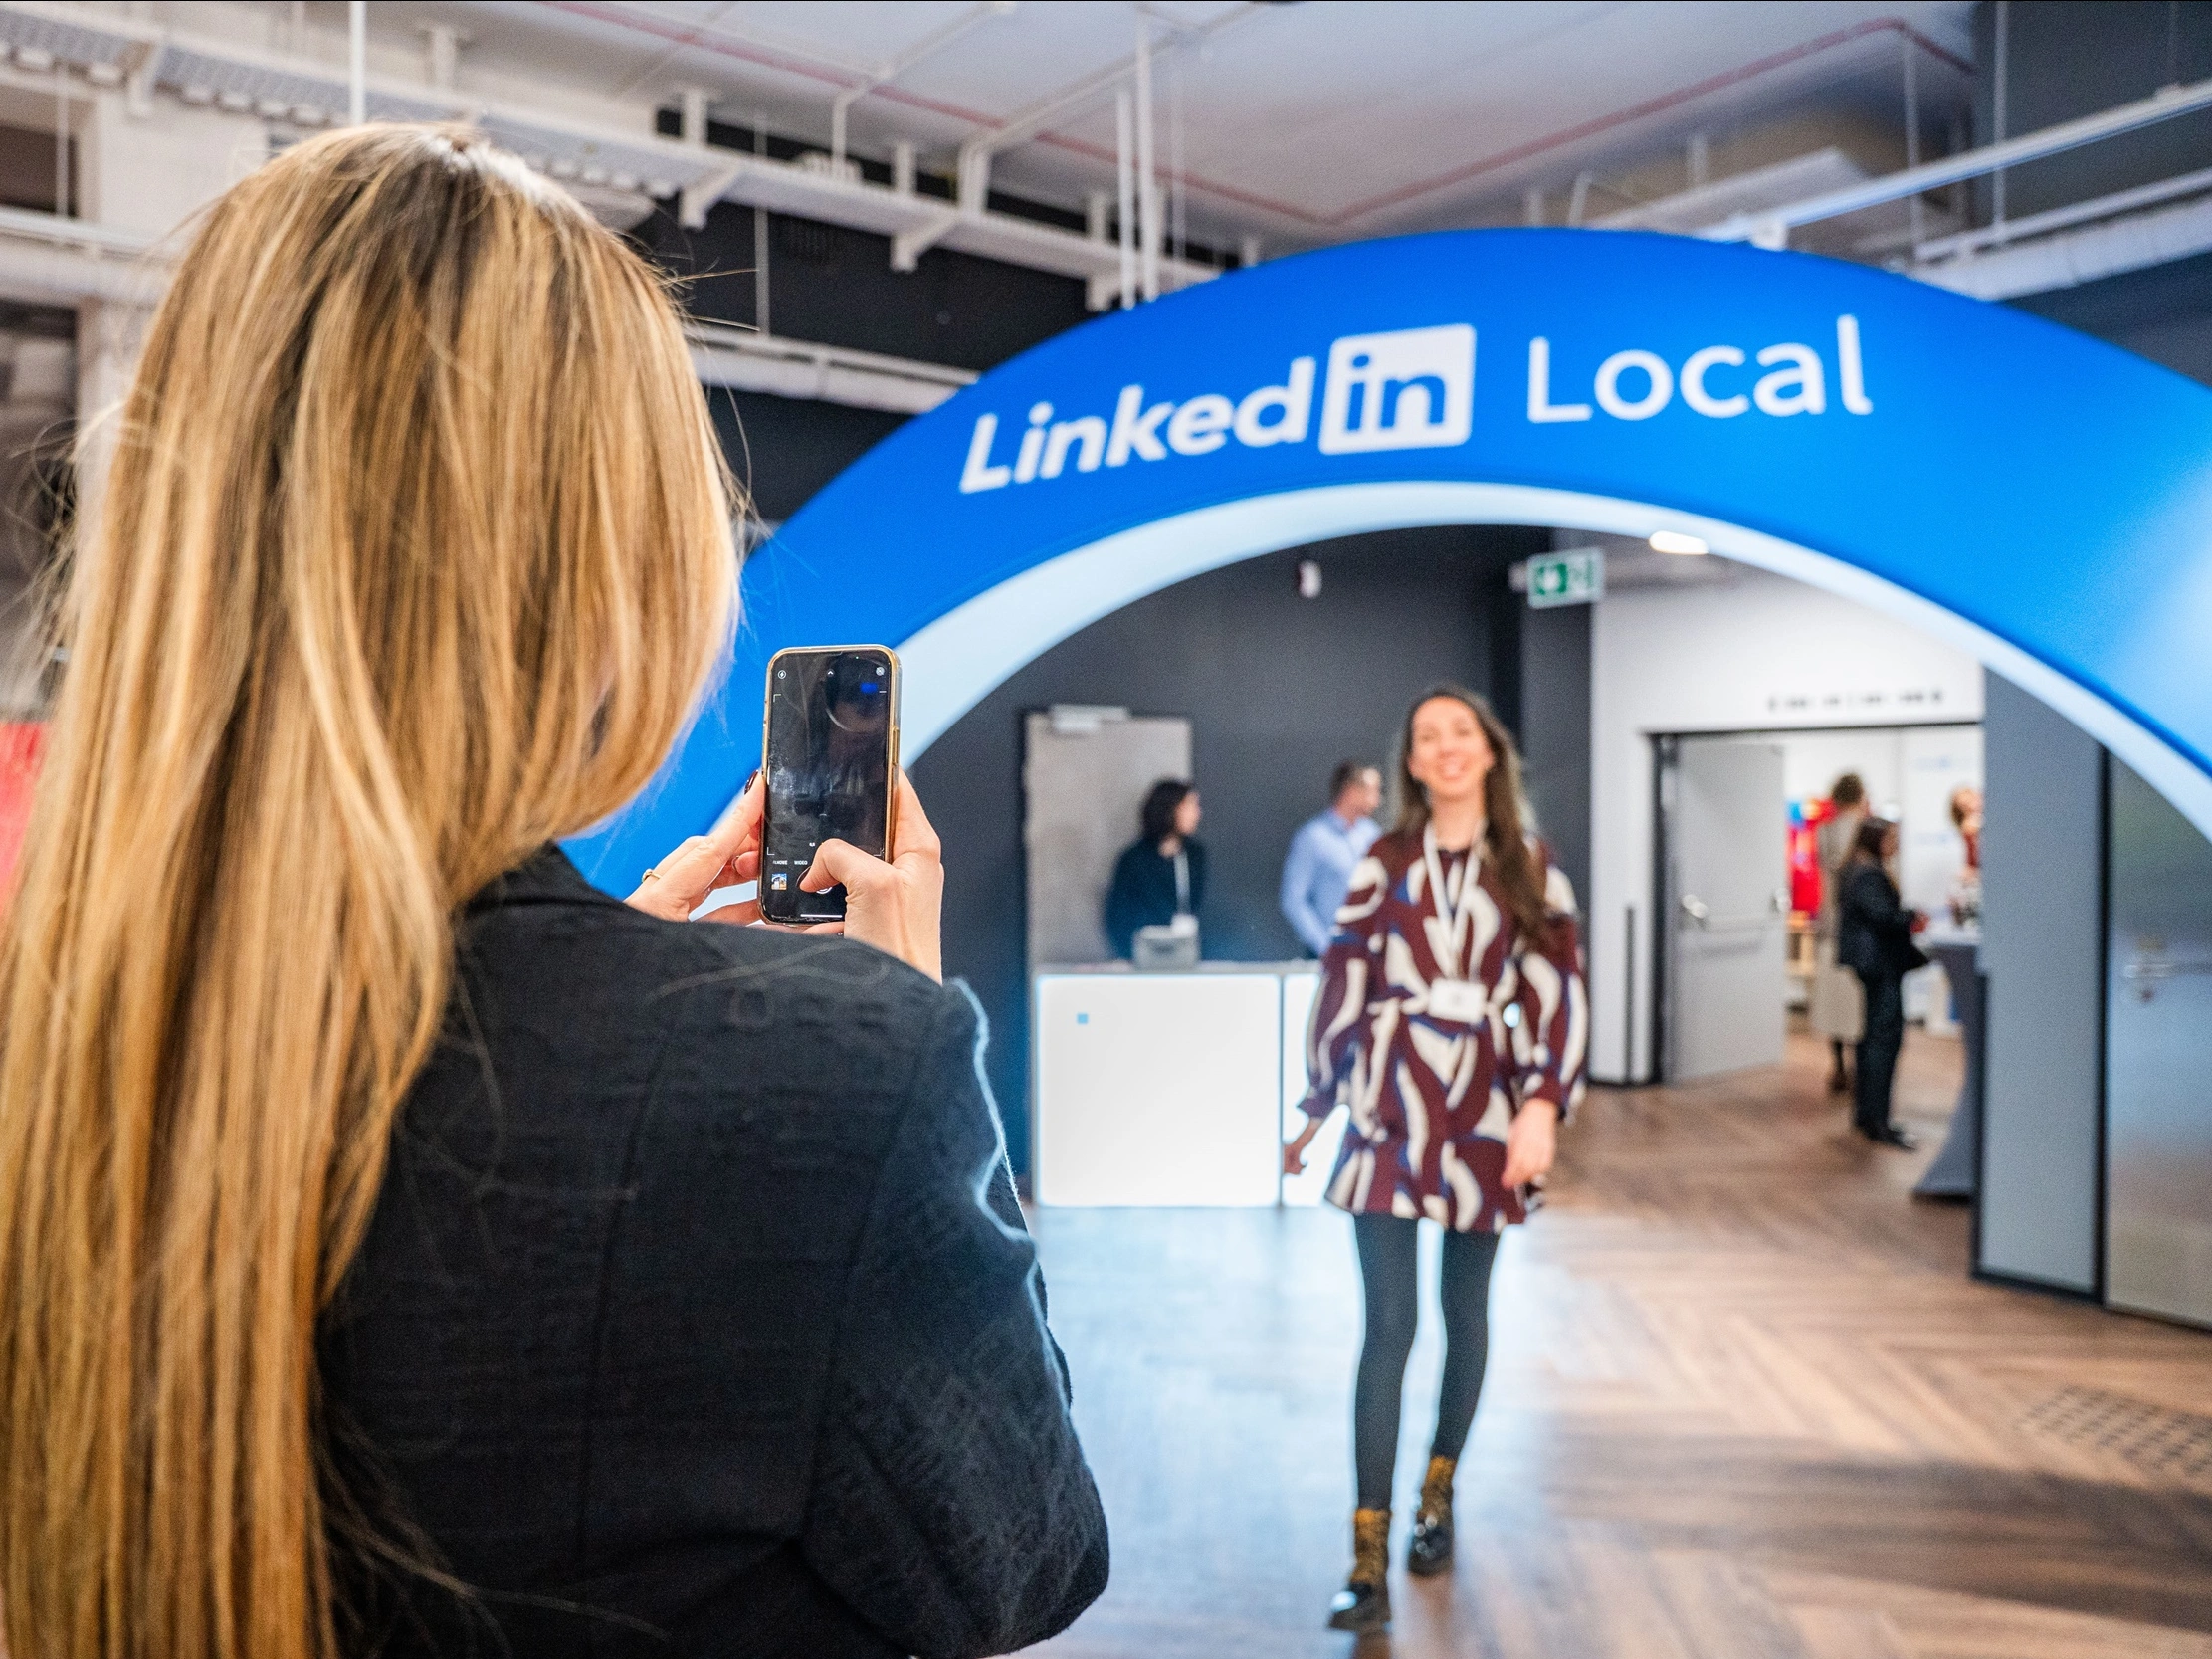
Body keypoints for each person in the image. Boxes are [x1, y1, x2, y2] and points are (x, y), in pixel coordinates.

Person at [0, 126, 1106, 1659]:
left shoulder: (52, 1054)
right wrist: (884, 1027)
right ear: (615, 577)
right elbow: (1025, 1560)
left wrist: (613, 997)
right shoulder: (850, 1078)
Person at [1282, 686, 1587, 1633]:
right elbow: (1345, 979)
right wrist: (1314, 1105)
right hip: (1388, 1112)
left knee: (1466, 1314)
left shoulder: (1530, 867)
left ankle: (1435, 1500)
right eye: (1427, 738)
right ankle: (1365, 1557)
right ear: (1410, 761)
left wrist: (1542, 1104)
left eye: (1461, 734)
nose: (1445, 749)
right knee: (1387, 1329)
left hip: (1486, 1119)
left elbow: (1558, 991)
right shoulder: (1383, 860)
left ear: (1488, 752)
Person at [1837, 816, 1929, 1149]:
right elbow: (1883, 917)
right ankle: (1877, 1119)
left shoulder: (1856, 869)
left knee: (1874, 1039)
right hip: (1880, 965)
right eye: (1890, 838)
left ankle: (1869, 1115)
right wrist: (1911, 918)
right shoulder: (1868, 873)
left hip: (1873, 965)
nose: (1895, 844)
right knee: (1882, 1040)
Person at [1280, 759, 1383, 956]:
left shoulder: (1373, 835)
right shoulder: (1313, 838)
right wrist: (1326, 946)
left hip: (1370, 953)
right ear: (1351, 790)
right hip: (1328, 955)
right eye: (1372, 791)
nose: (1377, 800)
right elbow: (1293, 899)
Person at [1809, 773, 1869, 1094]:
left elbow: (1825, 886)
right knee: (1858, 1002)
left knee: (1833, 1002)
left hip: (1832, 928)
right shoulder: (1869, 831)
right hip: (1863, 931)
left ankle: (1838, 1068)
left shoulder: (1825, 833)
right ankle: (1861, 1070)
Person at [1105, 777, 1205, 959]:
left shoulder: (1195, 856)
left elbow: (1200, 908)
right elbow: (1118, 916)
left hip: (1185, 954)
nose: (1197, 814)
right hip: (1141, 957)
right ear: (1171, 809)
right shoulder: (1134, 859)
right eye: (1190, 806)